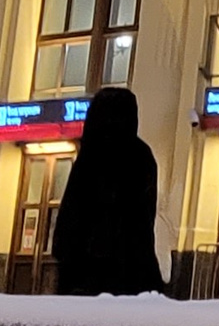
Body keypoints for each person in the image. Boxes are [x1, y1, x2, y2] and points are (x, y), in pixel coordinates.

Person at [48, 86, 164, 297]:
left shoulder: (91, 155)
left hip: (83, 269)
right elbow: (142, 218)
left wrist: (64, 249)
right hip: (129, 269)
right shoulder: (141, 156)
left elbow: (73, 211)